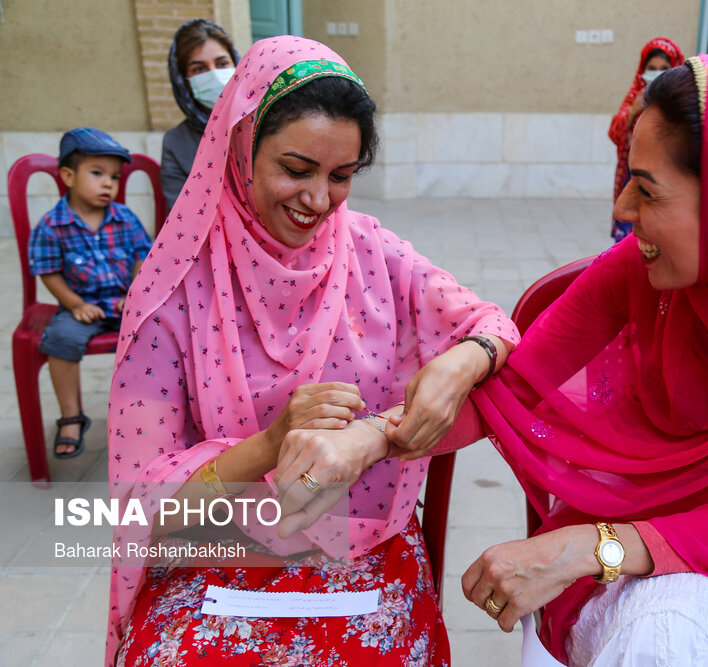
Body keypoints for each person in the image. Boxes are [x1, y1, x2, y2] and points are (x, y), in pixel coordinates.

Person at [293, 50, 708, 665]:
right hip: (222, 532)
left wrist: (588, 548)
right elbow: (516, 388)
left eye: (647, 191)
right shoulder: (190, 287)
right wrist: (364, 438)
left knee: (669, 633)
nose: (621, 211)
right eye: (293, 168)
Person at [106, 36, 517, 665]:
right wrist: (273, 445)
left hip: (361, 543)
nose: (318, 201)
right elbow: (142, 511)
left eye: (342, 176)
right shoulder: (174, 291)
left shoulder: (372, 251)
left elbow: (492, 326)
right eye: (296, 170)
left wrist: (462, 360)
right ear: (240, 150)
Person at [28, 128, 152, 459]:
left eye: (113, 176)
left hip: (126, 303)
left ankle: (148, 409)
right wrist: (75, 304)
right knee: (61, 339)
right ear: (68, 176)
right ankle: (71, 416)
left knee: (159, 332)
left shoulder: (124, 217)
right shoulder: (53, 225)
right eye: (97, 174)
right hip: (81, 307)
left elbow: (144, 254)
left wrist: (136, 294)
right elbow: (48, 271)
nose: (108, 183)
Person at [608, 37, 683, 243]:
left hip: (665, 181)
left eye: (664, 68)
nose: (657, 73)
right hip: (633, 177)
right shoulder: (635, 98)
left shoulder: (682, 104)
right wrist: (633, 112)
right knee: (629, 235)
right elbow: (615, 133)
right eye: (652, 68)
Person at [161, 18, 240, 212]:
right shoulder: (176, 143)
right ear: (184, 81)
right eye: (199, 69)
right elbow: (181, 217)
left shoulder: (265, 122)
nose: (213, 75)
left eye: (222, 63)